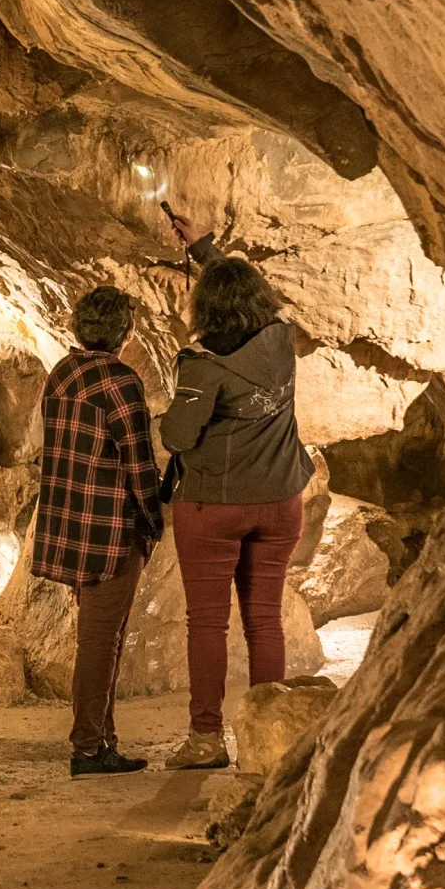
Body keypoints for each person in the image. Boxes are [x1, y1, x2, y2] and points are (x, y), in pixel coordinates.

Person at [156, 214, 314, 771]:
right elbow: (245, 292)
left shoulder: (203, 365)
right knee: (264, 619)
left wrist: (167, 414)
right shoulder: (281, 340)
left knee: (208, 623)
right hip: (280, 501)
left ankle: (206, 739)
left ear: (206, 309)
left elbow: (178, 436)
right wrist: (204, 248)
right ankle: (269, 737)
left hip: (214, 506)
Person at [28, 285, 164, 777]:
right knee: (101, 642)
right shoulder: (121, 381)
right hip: (110, 532)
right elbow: (139, 464)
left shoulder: (61, 373)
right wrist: (154, 521)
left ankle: (104, 740)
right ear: (124, 332)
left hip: (71, 528)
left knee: (100, 638)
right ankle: (87, 748)